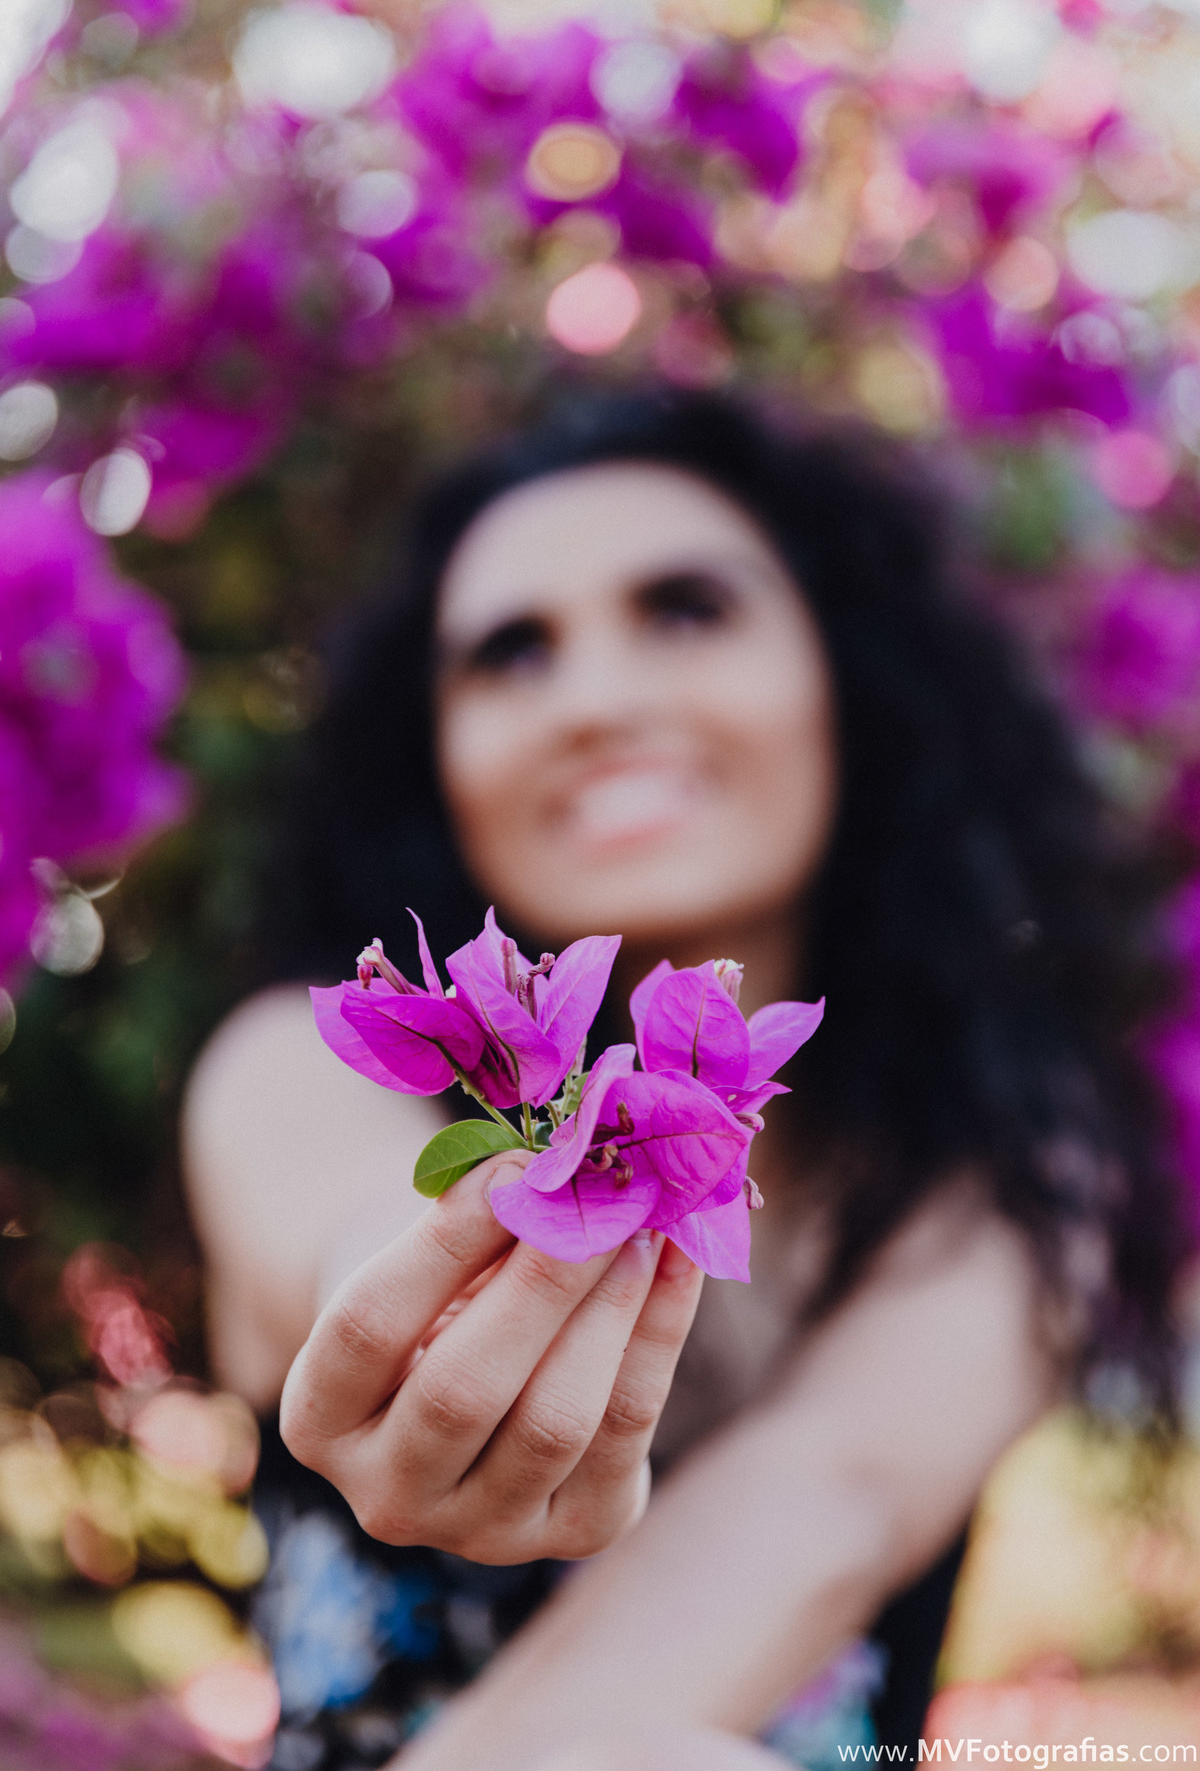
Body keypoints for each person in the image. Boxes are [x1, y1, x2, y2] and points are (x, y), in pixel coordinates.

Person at [183, 389, 1186, 1771]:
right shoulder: (287, 1066)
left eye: (686, 609)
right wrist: (432, 1318)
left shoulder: (1012, 1175)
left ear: (845, 683)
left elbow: (827, 1500)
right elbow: (352, 1220)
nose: (596, 703)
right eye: (512, 654)